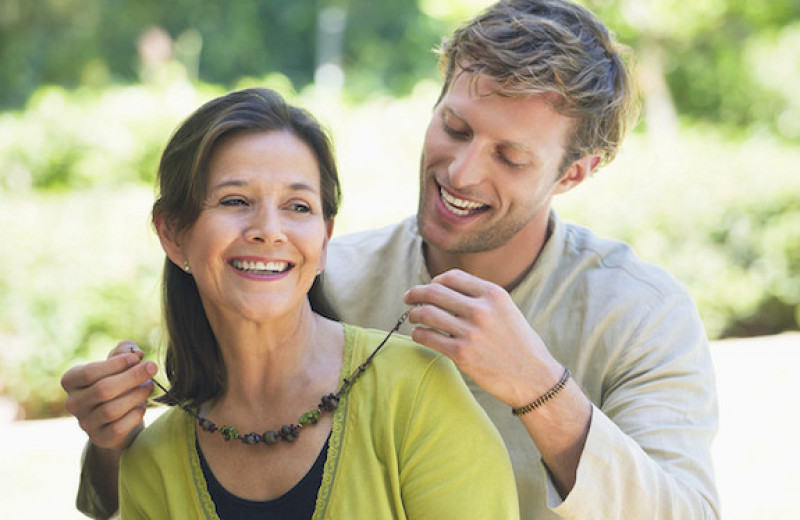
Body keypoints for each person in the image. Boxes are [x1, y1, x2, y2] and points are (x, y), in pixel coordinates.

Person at [62, 0, 720, 518]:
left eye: (510, 156)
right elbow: (173, 470)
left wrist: (538, 388)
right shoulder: (316, 276)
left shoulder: (639, 315)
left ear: (573, 174)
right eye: (455, 128)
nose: (461, 172)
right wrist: (110, 445)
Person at [68, 87, 519, 518]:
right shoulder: (153, 461)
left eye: (298, 206)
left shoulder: (416, 392)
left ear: (324, 240)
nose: (269, 230)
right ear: (172, 234)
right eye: (235, 200)